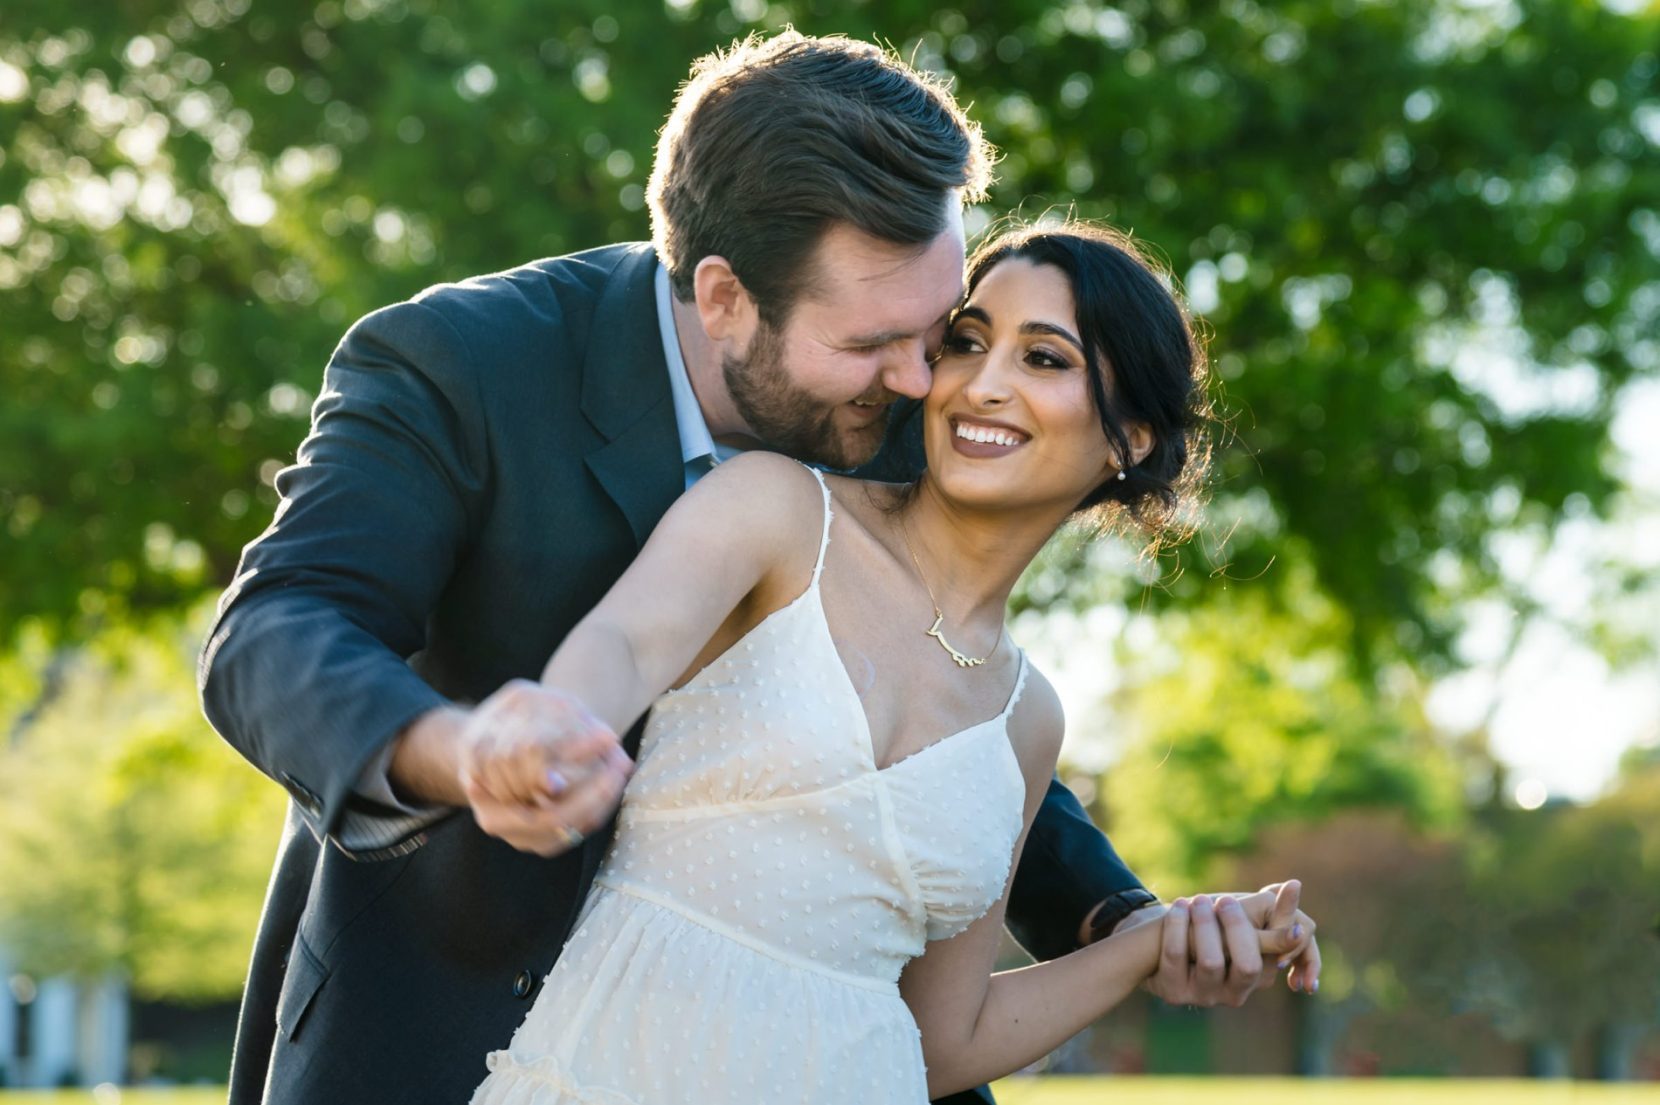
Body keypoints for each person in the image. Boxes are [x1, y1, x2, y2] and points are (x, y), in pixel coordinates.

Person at [199, 31, 1318, 1105]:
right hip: (453, 1010)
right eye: (876, 344)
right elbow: (278, 629)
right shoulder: (464, 362)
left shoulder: (915, 402)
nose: (928, 381)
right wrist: (461, 749)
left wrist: (1121, 917)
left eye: (940, 330)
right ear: (725, 297)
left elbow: (935, 733)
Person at [469, 221, 1316, 1105]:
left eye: (1043, 359)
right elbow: (626, 641)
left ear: (1129, 439)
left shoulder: (1028, 719)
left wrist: (1150, 944)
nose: (982, 384)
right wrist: (557, 721)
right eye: (968, 342)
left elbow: (946, 1043)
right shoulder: (780, 511)